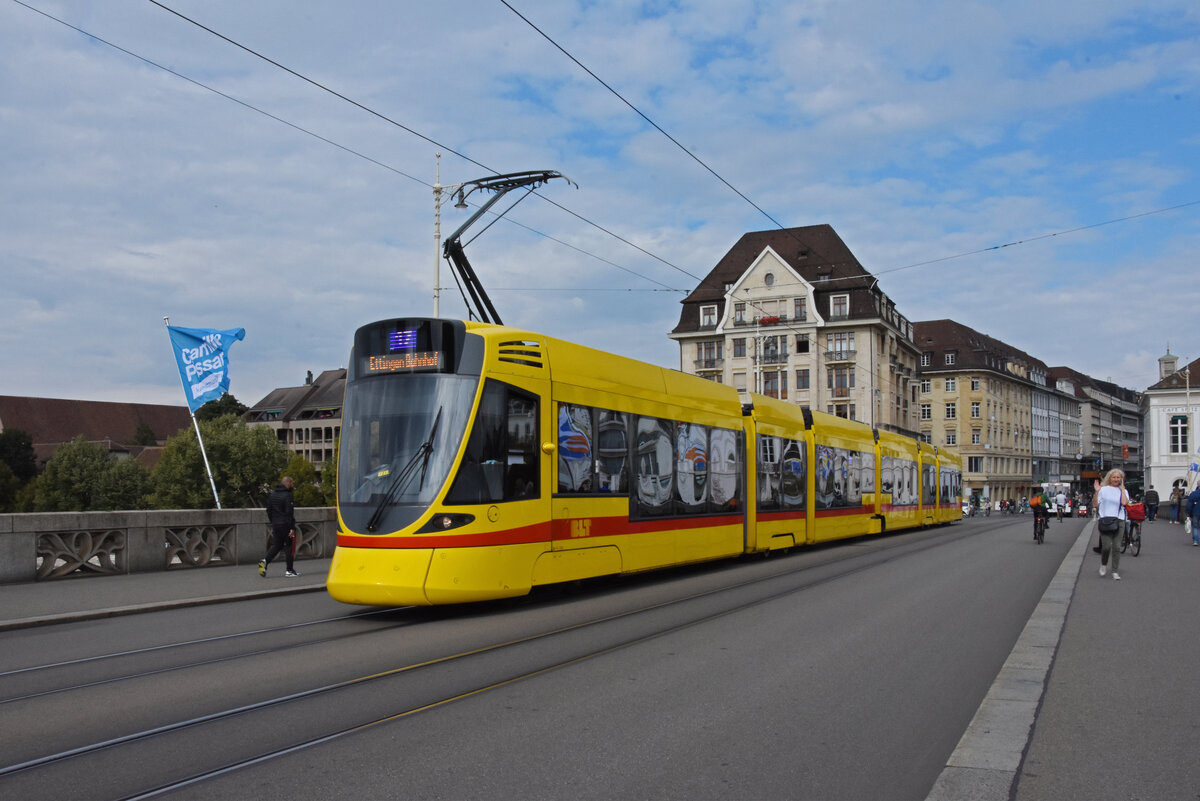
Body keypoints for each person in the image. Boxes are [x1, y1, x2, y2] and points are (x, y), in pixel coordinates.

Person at [260, 476, 300, 577]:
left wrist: (273, 521)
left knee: (277, 545)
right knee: (290, 547)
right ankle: (289, 570)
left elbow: (268, 510)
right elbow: (289, 512)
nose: (292, 485)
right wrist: (292, 527)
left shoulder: (273, 495)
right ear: (288, 483)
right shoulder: (288, 495)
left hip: (276, 524)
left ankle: (265, 561)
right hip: (286, 525)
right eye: (292, 483)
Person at [1093, 469, 1130, 580]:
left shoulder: (1124, 491)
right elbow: (1095, 504)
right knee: (1106, 547)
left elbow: (1124, 503)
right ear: (1110, 478)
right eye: (1114, 477)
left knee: (1117, 547)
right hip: (1105, 520)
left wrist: (1122, 490)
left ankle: (1115, 571)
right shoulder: (1103, 490)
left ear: (1121, 479)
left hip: (1119, 520)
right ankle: (1104, 564)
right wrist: (1097, 492)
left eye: (1118, 477)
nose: (1116, 479)